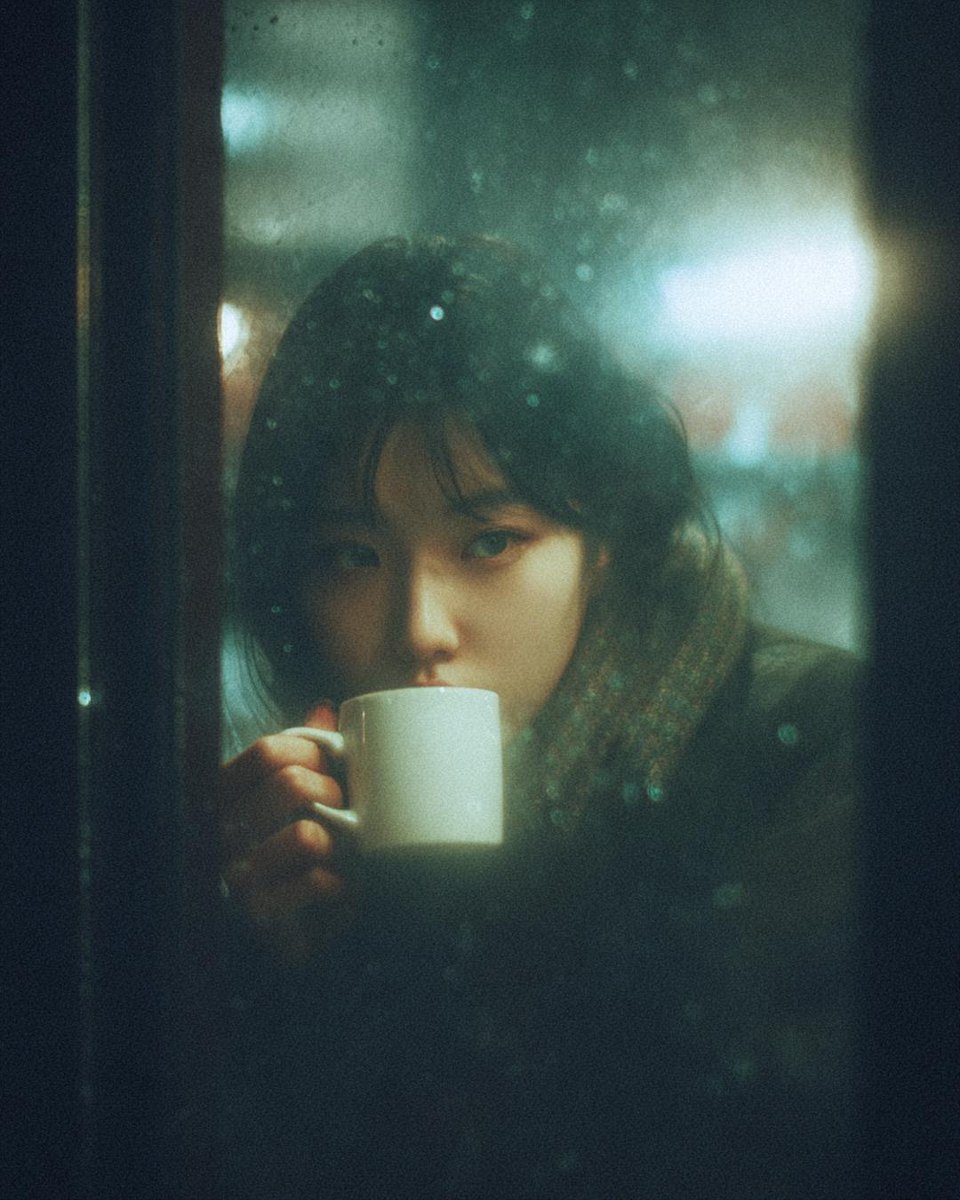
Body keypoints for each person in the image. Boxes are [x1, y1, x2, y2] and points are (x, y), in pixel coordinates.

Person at [218, 234, 862, 1198]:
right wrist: (258, 967)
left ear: (603, 543)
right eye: (351, 555)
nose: (420, 628)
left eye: (488, 541)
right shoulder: (315, 841)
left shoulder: (818, 743)